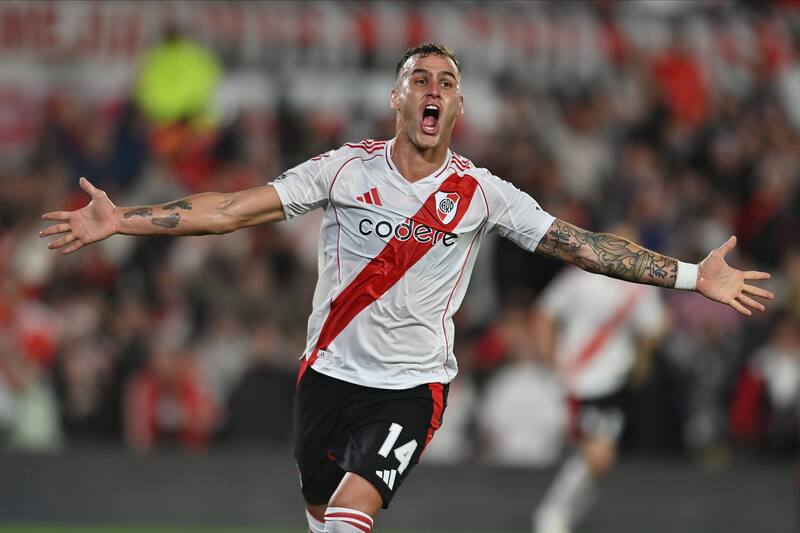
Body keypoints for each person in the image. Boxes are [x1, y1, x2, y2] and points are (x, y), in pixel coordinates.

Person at [40, 43, 773, 533]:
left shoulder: (484, 193)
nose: (433, 90)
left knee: (353, 515)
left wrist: (688, 276)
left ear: (458, 110)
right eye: (420, 78)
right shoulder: (344, 171)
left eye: (447, 83)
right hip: (325, 376)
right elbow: (228, 209)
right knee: (321, 513)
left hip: (410, 387)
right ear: (397, 99)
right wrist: (122, 222)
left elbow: (581, 245)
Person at [530, 224, 667, 533]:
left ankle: (558, 516)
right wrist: (551, 359)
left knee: (599, 459)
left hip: (612, 382)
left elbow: (657, 326)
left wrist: (641, 359)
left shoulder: (638, 289)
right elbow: (544, 312)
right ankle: (552, 516)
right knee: (596, 456)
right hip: (579, 379)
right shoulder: (581, 278)